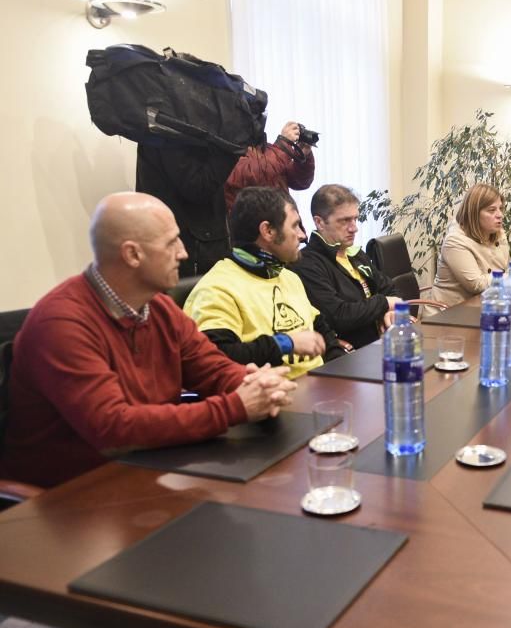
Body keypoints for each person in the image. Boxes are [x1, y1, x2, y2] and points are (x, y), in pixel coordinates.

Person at [0, 192, 296, 488]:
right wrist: (234, 407)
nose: (183, 253)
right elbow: (113, 427)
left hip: (145, 467)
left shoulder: (159, 307)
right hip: (67, 494)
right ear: (132, 255)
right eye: (171, 243)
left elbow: (212, 368)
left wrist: (252, 382)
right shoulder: (61, 323)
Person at [184, 186, 347, 378]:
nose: (302, 235)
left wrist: (341, 371)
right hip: (271, 396)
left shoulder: (288, 276)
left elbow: (320, 328)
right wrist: (286, 344)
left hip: (319, 388)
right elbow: (215, 358)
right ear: (268, 231)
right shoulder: (216, 288)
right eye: (295, 225)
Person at [291, 184, 401, 349]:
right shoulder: (306, 263)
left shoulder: (354, 254)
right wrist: (384, 304)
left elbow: (390, 289)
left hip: (382, 343)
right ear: (319, 222)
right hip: (352, 353)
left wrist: (391, 312)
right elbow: (339, 316)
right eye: (344, 221)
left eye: (355, 219)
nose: (354, 228)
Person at [423, 184, 511, 317]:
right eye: (491, 210)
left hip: (480, 309)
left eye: (500, 209)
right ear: (474, 213)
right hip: (447, 314)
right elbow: (476, 284)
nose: (500, 215)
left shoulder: (498, 234)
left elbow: (503, 270)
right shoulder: (455, 241)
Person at [136, 143, 240, 277]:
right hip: (190, 244)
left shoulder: (159, 128)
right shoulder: (173, 130)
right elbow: (198, 185)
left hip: (180, 240)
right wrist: (233, 146)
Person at [223, 120, 316, 213]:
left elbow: (300, 182)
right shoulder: (226, 152)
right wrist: (284, 145)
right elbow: (253, 174)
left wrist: (302, 157)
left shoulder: (266, 149)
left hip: (282, 220)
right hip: (253, 223)